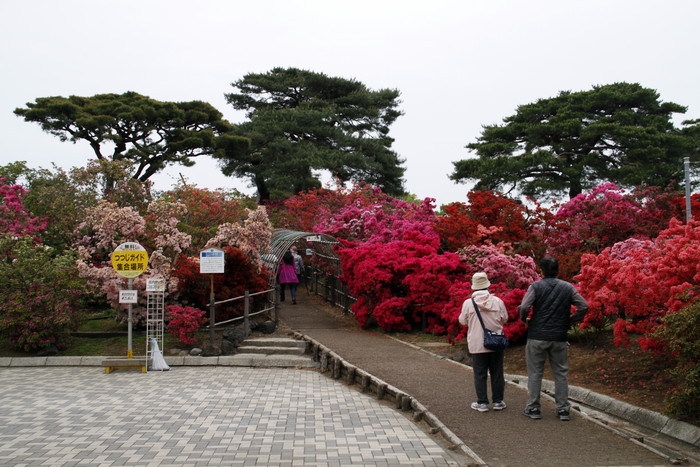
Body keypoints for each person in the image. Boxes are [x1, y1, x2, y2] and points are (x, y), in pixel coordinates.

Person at [518, 256, 589, 421]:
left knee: (535, 373)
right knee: (561, 373)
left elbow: (524, 306)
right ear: (557, 270)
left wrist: (525, 319)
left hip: (537, 335)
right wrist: (570, 320)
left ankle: (534, 408)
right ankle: (563, 409)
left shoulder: (535, 286)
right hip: (559, 336)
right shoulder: (567, 287)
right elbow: (584, 306)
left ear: (541, 271)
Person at [458, 272, 509, 412]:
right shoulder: (498, 301)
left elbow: (463, 321)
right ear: (487, 285)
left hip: (477, 343)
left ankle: (482, 403)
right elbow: (504, 318)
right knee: (497, 373)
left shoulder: (468, 303)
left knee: (480, 373)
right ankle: (498, 401)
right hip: (496, 343)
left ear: (474, 287)